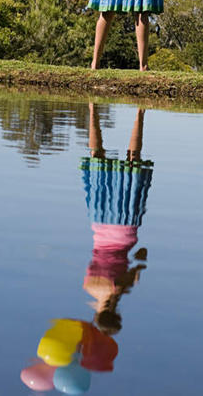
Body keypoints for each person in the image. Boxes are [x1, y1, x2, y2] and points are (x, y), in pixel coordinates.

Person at [81, 104, 153, 336]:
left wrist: (139, 268)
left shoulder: (120, 288)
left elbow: (141, 258)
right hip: (100, 220)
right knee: (96, 157)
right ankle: (92, 110)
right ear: (95, 316)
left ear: (117, 313)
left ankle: (140, 113)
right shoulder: (88, 287)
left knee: (133, 161)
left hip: (125, 227)